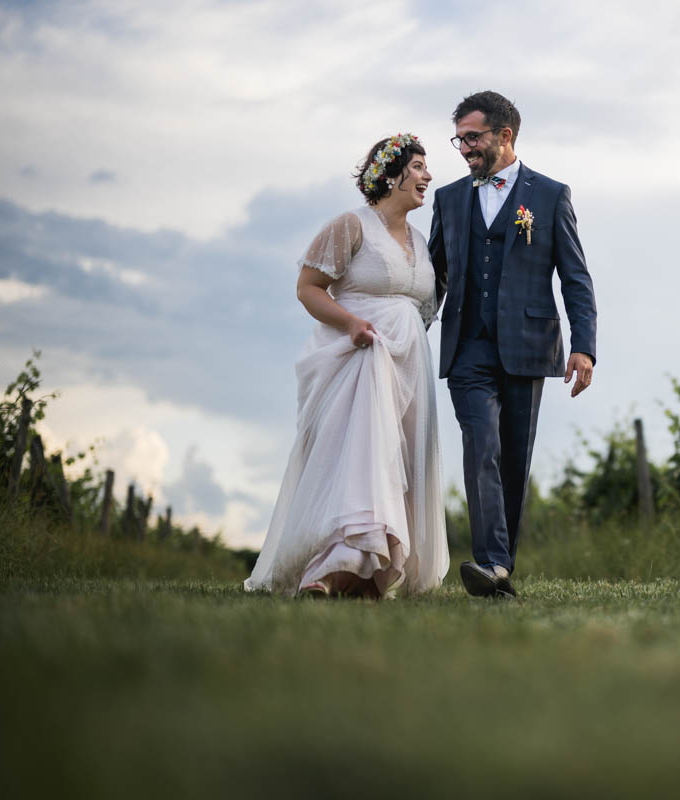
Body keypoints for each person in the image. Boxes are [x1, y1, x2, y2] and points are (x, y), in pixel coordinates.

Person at [246, 134, 449, 598]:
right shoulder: (351, 226)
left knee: (398, 463)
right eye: (418, 167)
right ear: (391, 175)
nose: (427, 176)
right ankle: (330, 567)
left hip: (407, 364)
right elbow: (309, 287)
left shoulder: (421, 240)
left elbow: (423, 307)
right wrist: (353, 323)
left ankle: (372, 573)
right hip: (359, 358)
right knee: (360, 460)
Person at [429, 91, 597, 598]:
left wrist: (584, 346)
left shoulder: (549, 195)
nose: (464, 149)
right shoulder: (449, 199)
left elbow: (575, 278)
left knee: (513, 461)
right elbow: (432, 274)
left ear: (506, 136)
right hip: (467, 350)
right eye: (459, 138)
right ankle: (493, 564)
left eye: (472, 137)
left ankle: (501, 570)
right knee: (480, 446)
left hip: (528, 346)